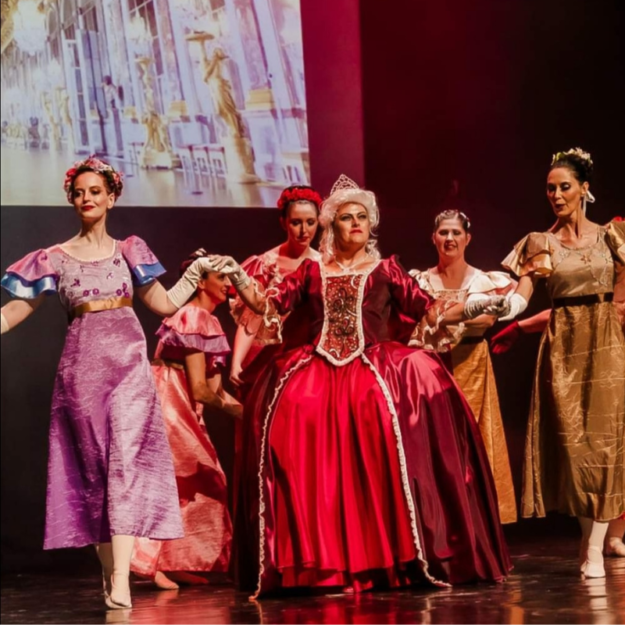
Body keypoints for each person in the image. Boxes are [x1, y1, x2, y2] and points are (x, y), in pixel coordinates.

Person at [211, 175, 511, 597]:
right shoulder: (311, 270)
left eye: (362, 217)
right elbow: (267, 304)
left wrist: (477, 305)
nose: (355, 223)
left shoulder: (386, 270)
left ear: (371, 225)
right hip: (316, 370)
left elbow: (431, 310)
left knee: (387, 428)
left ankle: (385, 558)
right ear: (332, 226)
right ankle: (317, 562)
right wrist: (238, 278)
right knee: (293, 427)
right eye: (347, 217)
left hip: (372, 370)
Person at [0, 156, 215, 609]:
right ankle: (110, 570)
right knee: (94, 476)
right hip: (81, 376)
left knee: (125, 466)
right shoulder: (54, 258)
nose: (87, 199)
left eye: (95, 191)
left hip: (129, 372)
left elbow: (164, 303)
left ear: (111, 197)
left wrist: (195, 275)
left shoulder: (130, 250)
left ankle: (121, 578)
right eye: (79, 193)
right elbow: (13, 312)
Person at [497, 148, 625, 578]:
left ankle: (594, 548)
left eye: (564, 187)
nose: (556, 195)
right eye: (550, 188)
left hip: (607, 347)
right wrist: (508, 308)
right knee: (575, 449)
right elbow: (524, 289)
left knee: (606, 443)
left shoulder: (611, 236)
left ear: (584, 189)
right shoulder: (541, 242)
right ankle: (589, 539)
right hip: (564, 349)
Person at [131, 257, 242, 589]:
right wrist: (242, 414)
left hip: (183, 405)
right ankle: (149, 563)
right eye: (220, 276)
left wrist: (253, 411)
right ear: (200, 282)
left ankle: (174, 559)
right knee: (174, 482)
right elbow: (200, 390)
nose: (228, 283)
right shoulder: (193, 316)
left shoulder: (208, 319)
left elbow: (214, 391)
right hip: (168, 403)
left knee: (198, 484)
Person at [409, 208, 517, 524]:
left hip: (472, 364)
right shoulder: (420, 281)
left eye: (456, 232)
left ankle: (476, 519)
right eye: (443, 232)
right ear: (433, 238)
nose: (450, 238)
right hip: (431, 369)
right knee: (434, 442)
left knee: (474, 440)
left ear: (468, 238)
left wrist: (440, 317)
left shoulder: (484, 280)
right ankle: (438, 519)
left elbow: (487, 319)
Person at [229, 184, 322, 387]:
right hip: (267, 353)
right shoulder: (266, 264)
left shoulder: (324, 265)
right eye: (296, 222)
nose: (304, 230)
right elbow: (250, 319)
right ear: (283, 223)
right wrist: (236, 362)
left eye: (310, 222)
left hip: (307, 352)